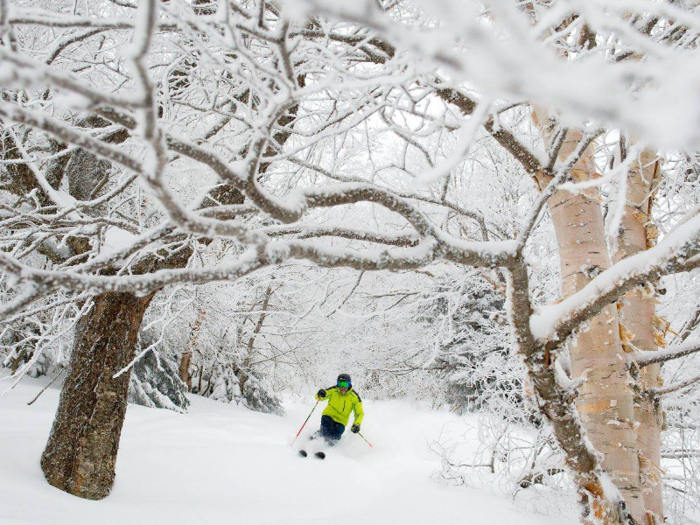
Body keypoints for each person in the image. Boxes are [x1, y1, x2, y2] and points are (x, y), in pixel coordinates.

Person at [314, 373, 364, 445]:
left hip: (341, 421)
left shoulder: (354, 397)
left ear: (349, 384)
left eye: (345, 384)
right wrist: (320, 394)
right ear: (337, 384)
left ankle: (325, 449)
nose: (343, 387)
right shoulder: (333, 390)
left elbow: (359, 413)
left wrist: (357, 424)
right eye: (340, 384)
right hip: (328, 416)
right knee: (325, 432)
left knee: (335, 437)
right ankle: (314, 442)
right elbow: (319, 397)